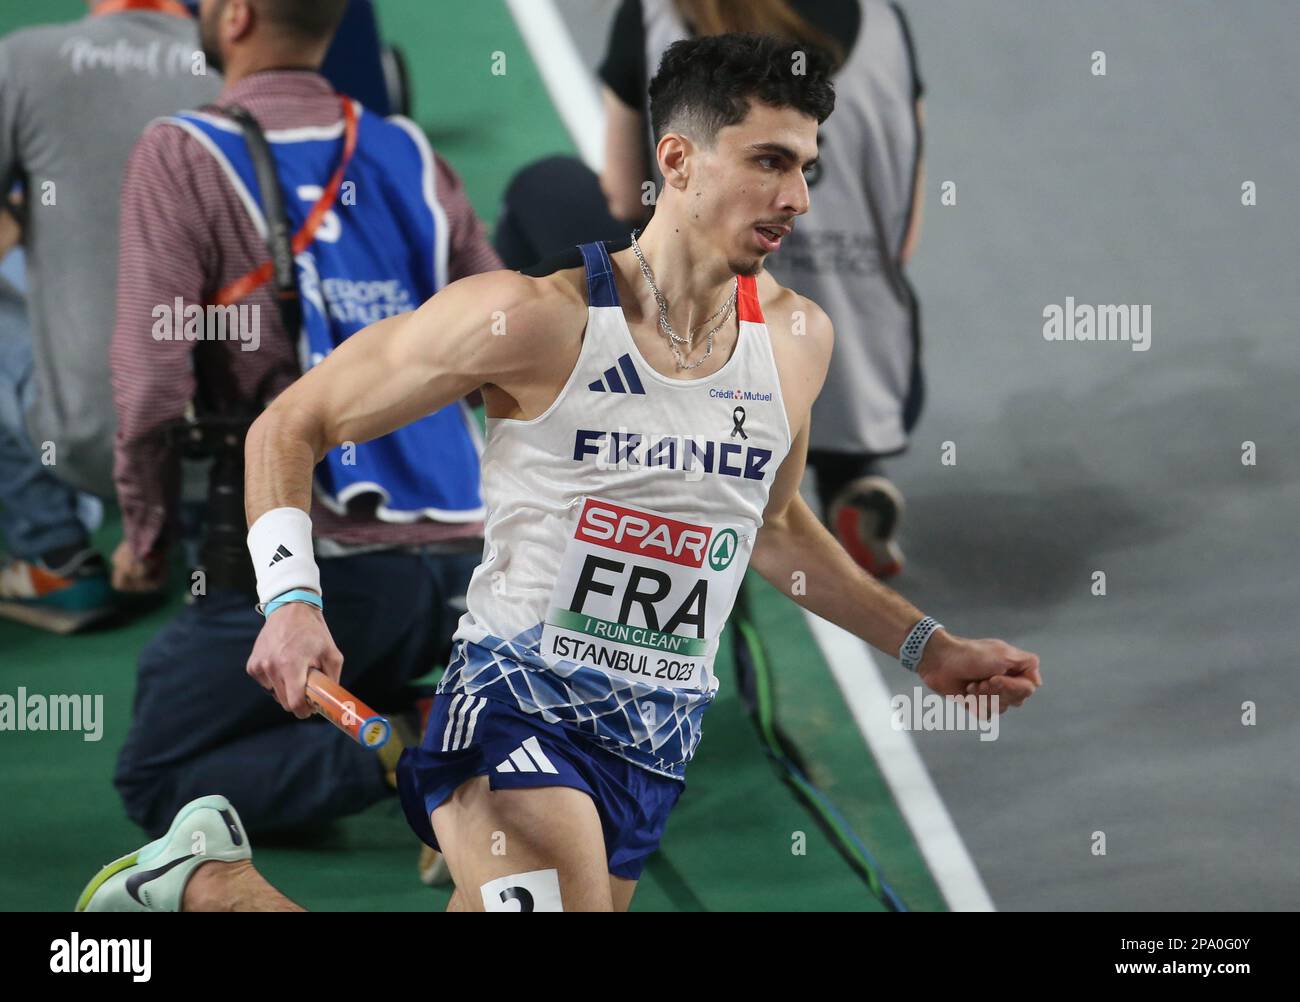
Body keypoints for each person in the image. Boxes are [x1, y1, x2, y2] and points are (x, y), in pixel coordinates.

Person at [79, 32, 1040, 913]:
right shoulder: (535, 318)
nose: (797, 198)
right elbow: (290, 423)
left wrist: (929, 648)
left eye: (807, 168)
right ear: (677, 162)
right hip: (516, 698)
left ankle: (207, 888)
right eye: (770, 161)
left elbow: (776, 529)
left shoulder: (795, 340)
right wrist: (290, 598)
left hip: (653, 743)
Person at [107, 0, 499, 848]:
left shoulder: (180, 152)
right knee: (206, 683)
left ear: (236, 16)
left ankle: (419, 750)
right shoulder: (411, 151)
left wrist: (140, 537)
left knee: (154, 771)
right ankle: (440, 710)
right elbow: (506, 345)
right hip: (471, 566)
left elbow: (147, 391)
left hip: (323, 576)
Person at [599, 0, 926, 578]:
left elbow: (626, 195)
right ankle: (854, 474)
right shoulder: (883, 22)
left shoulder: (651, 19)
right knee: (812, 365)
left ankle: (679, 491)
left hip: (707, 342)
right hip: (869, 348)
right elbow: (906, 214)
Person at [0, 0, 220, 625]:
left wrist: (37, 222)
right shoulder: (243, 65)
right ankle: (218, 537)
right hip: (244, 440)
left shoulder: (24, 58)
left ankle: (55, 558)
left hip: (90, 438)